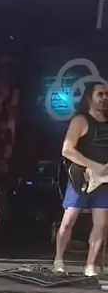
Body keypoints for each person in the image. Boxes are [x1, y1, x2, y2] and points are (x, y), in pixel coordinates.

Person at [54, 82, 108, 277]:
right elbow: (67, 150)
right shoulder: (81, 120)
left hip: (104, 182)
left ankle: (90, 265)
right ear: (89, 97)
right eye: (100, 94)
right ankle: (59, 259)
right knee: (68, 221)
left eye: (107, 94)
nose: (105, 98)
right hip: (82, 179)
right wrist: (94, 167)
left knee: (100, 224)